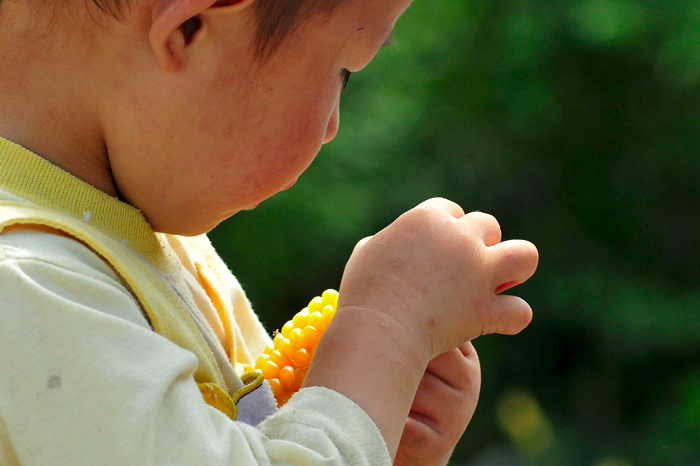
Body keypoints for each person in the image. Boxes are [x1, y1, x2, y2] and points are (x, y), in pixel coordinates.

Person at [0, 0, 539, 464]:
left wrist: (377, 436)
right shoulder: (28, 286)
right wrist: (382, 333)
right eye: (345, 70)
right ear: (190, 29)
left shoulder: (142, 242)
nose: (332, 128)